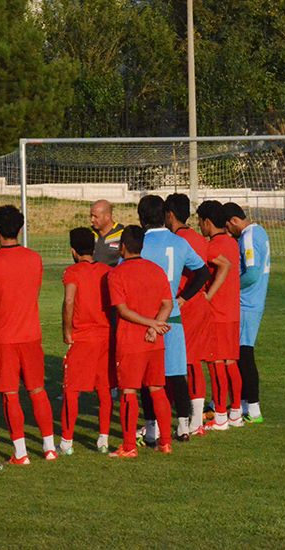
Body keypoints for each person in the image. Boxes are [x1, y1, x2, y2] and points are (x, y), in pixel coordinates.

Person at [0, 206, 56, 463]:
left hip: (4, 337)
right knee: (37, 390)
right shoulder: (34, 259)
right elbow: (33, 289)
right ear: (20, 228)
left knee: (10, 394)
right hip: (31, 334)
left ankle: (21, 452)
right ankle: (49, 447)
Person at [138, 195, 209, 445]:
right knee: (177, 373)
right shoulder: (178, 243)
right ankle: (183, 427)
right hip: (174, 318)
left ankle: (151, 428)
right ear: (164, 215)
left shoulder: (140, 244)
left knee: (148, 377)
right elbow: (202, 271)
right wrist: (182, 298)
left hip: (147, 318)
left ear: (141, 217)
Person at [107, 226, 174, 458]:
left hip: (131, 341)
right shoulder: (156, 270)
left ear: (123, 247)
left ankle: (128, 446)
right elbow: (168, 304)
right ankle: (165, 442)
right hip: (154, 342)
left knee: (128, 392)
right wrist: (155, 326)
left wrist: (149, 324)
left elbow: (123, 310)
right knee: (157, 389)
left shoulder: (116, 274)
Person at [164, 193, 216, 435]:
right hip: (195, 305)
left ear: (170, 215)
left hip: (188, 307)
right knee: (187, 361)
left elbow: (202, 271)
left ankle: (195, 421)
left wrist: (184, 297)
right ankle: (191, 416)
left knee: (190, 361)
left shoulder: (178, 240)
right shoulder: (196, 237)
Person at [59, 227, 113, 455]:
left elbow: (69, 300)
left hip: (83, 337)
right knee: (104, 389)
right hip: (105, 336)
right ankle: (103, 439)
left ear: (73, 250)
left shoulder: (73, 272)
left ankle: (67, 442)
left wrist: (67, 330)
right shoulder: (106, 271)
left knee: (71, 389)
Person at [198, 200, 243, 430]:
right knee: (230, 362)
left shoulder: (212, 246)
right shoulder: (232, 242)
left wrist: (207, 295)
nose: (198, 226)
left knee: (216, 363)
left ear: (207, 222)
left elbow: (222, 267)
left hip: (217, 312)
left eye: (199, 222)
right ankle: (236, 412)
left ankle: (220, 415)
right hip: (233, 311)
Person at [224, 202, 269, 423]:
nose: (227, 232)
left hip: (247, 303)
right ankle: (243, 404)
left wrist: (230, 288)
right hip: (253, 302)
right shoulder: (259, 231)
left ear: (233, 221)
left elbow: (251, 274)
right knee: (242, 353)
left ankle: (252, 408)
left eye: (227, 227)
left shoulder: (249, 236)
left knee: (243, 354)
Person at [90, 200, 124, 266]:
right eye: (91, 216)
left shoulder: (122, 234)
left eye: (95, 216)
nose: (92, 220)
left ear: (107, 217)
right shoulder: (90, 233)